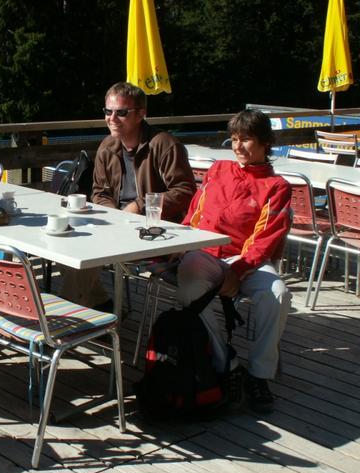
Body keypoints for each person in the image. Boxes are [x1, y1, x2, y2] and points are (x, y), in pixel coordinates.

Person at [176, 109, 292, 413]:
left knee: (278, 294)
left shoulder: (276, 186)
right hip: (205, 251)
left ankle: (259, 374)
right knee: (189, 285)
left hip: (246, 257)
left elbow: (265, 238)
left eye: (247, 139)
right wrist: (181, 243)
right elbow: (195, 213)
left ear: (266, 142)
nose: (238, 146)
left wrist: (238, 271)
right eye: (235, 139)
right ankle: (225, 361)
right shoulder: (218, 169)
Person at [59, 81, 196, 308]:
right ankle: (98, 304)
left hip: (155, 231)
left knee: (83, 251)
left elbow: (185, 192)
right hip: (117, 226)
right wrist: (115, 216)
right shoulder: (107, 147)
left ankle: (67, 317)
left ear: (141, 114)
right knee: (66, 245)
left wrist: (139, 207)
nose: (112, 118)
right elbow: (100, 192)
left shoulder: (164, 145)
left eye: (121, 112)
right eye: (108, 111)